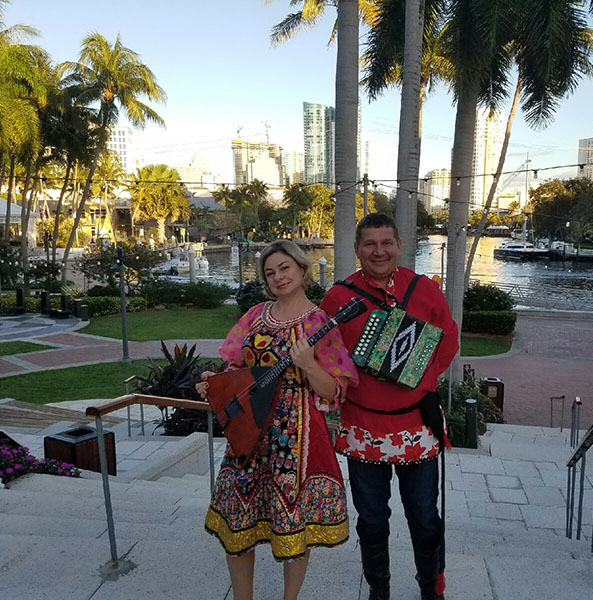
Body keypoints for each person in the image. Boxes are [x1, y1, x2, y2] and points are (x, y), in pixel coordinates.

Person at [197, 239, 358, 600]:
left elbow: (334, 391)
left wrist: (309, 365)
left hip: (295, 433)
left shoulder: (322, 323)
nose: (278, 277)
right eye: (270, 273)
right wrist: (215, 384)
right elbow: (234, 367)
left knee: (293, 525)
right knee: (238, 517)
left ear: (302, 270)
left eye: (285, 268)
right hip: (249, 430)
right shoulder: (254, 316)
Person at [320, 213, 459, 600]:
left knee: (425, 517)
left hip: (415, 425)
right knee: (372, 521)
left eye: (386, 243)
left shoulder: (424, 290)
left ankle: (429, 590)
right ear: (356, 249)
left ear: (399, 246)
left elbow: (449, 340)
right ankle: (379, 591)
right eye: (370, 244)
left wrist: (418, 378)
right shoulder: (338, 298)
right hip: (363, 428)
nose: (378, 251)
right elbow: (327, 357)